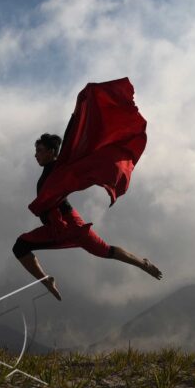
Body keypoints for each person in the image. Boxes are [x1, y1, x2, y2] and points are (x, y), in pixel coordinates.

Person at [13, 78, 162, 301]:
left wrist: (79, 106)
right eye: (36, 150)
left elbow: (72, 133)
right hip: (55, 226)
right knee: (20, 246)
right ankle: (47, 281)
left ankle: (142, 263)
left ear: (53, 152)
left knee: (106, 252)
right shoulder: (48, 171)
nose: (36, 154)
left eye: (40, 150)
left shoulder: (59, 165)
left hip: (69, 224)